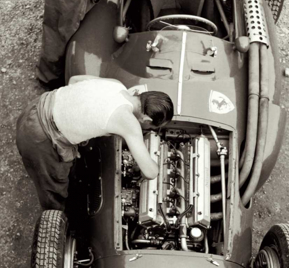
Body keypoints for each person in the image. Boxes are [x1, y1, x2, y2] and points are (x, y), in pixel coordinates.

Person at [16, 76, 174, 211]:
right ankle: (60, 227)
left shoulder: (116, 84)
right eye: (153, 127)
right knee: (55, 189)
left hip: (36, 106)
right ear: (147, 120)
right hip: (39, 137)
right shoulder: (127, 121)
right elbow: (151, 172)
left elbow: (74, 80)